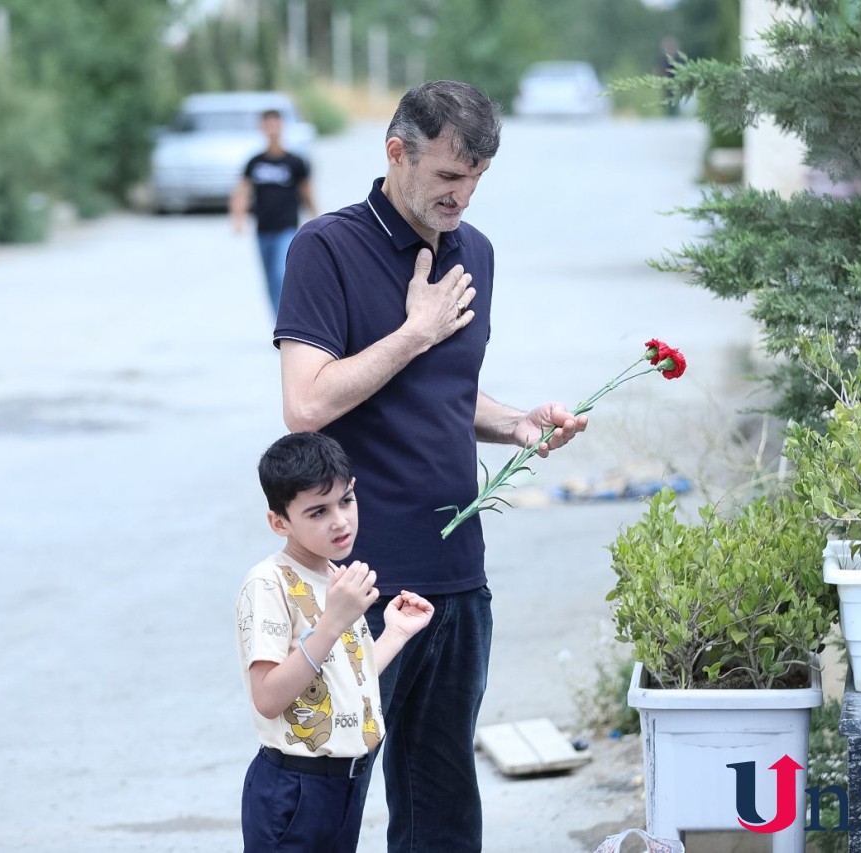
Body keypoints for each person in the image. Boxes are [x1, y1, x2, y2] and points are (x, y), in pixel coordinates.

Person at [274, 80, 589, 852]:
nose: (465, 195)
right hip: (358, 585)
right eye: (450, 176)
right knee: (327, 800)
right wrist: (414, 331)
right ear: (397, 153)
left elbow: (444, 393)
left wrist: (516, 423)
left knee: (442, 804)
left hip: (455, 578)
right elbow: (305, 403)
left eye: (478, 177)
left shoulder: (471, 252)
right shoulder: (327, 248)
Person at [236, 432, 435, 853]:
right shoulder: (269, 582)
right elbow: (268, 697)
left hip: (342, 785)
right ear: (279, 522)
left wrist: (395, 632)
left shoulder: (333, 576)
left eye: (346, 501)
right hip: (294, 788)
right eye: (318, 511)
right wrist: (333, 622)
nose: (340, 520)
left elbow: (343, 678)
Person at [229, 109, 319, 314]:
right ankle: (278, 323)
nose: (271, 129)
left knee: (281, 273)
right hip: (263, 228)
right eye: (267, 125)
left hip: (287, 227)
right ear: (262, 128)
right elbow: (242, 191)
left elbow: (306, 191)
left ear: (282, 127)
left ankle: (290, 318)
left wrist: (316, 217)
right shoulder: (255, 162)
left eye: (275, 124)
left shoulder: (295, 162)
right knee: (270, 278)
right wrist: (238, 219)